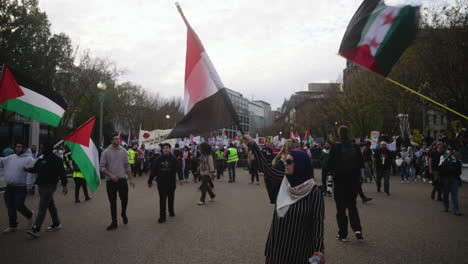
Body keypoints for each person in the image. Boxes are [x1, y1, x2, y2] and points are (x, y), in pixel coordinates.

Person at [245, 134, 325, 264]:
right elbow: (266, 168)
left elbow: (318, 223)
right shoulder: (284, 180)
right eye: (285, 161)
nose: (284, 164)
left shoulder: (314, 192)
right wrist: (253, 145)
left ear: (300, 165)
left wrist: (318, 250)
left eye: (288, 161)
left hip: (299, 252)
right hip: (277, 247)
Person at [327, 126, 364, 242]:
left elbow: (329, 164)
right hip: (353, 182)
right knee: (352, 206)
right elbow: (361, 164)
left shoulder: (335, 147)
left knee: (341, 209)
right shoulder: (355, 146)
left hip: (340, 182)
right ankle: (357, 229)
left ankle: (343, 234)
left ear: (339, 134)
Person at [25, 142, 68, 238]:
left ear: (47, 148)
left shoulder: (57, 160)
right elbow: (36, 169)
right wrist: (28, 170)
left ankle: (36, 229)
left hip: (50, 186)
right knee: (50, 205)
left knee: (42, 207)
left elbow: (62, 173)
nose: (41, 149)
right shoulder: (41, 158)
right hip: (41, 186)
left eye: (42, 147)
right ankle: (56, 223)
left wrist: (64, 185)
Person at [100, 134, 135, 231]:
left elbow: (127, 166)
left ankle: (123, 213)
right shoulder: (106, 152)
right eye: (116, 139)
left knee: (124, 199)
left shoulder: (124, 151)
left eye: (118, 139)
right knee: (112, 202)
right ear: (111, 141)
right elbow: (102, 167)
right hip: (110, 182)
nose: (118, 140)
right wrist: (111, 175)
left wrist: (131, 179)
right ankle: (114, 222)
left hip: (122, 180)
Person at [1, 142, 35, 233]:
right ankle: (13, 226)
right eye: (16, 146)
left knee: (18, 205)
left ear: (25, 148)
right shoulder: (11, 157)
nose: (17, 148)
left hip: (21, 187)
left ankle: (29, 215)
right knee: (10, 207)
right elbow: (1, 161)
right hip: (9, 187)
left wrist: (29, 186)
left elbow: (30, 174)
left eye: (19, 147)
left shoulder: (29, 159)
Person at [148, 143, 183, 223]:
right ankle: (162, 217)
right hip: (161, 183)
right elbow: (153, 170)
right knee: (162, 199)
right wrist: (150, 181)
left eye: (167, 148)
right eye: (164, 148)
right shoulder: (158, 159)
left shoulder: (174, 159)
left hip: (171, 182)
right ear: (162, 149)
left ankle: (171, 212)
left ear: (170, 149)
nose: (166, 149)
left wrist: (181, 178)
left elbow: (179, 169)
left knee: (171, 198)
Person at [439, 148, 462, 216]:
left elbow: (459, 168)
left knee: (454, 194)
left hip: (454, 178)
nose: (451, 152)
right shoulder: (443, 156)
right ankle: (446, 207)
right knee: (446, 194)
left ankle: (456, 210)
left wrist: (457, 159)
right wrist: (447, 158)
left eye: (452, 150)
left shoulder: (456, 158)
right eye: (449, 150)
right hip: (445, 178)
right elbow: (441, 166)